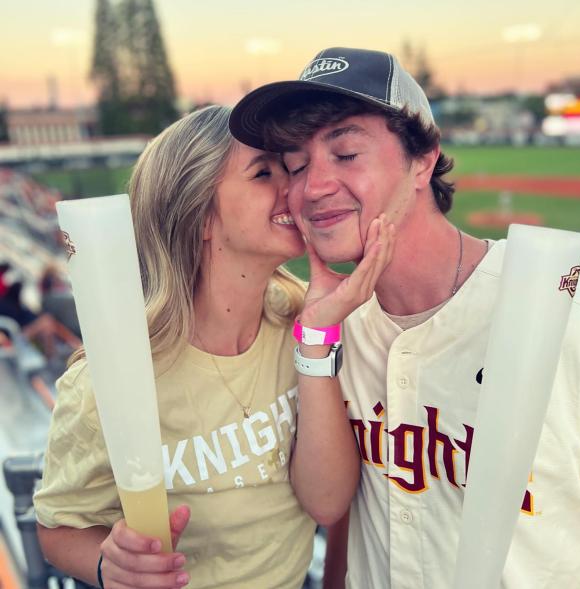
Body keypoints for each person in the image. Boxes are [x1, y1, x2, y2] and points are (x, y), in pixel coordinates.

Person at [229, 47, 580, 588]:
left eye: (346, 153)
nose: (313, 186)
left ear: (422, 160)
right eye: (296, 166)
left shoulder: (569, 316)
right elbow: (350, 515)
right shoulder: (330, 326)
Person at [33, 105, 395, 589]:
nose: (295, 188)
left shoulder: (303, 322)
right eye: (263, 172)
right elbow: (57, 525)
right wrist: (110, 565)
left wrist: (317, 335)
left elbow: (328, 502)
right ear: (201, 215)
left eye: (286, 169)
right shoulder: (112, 376)